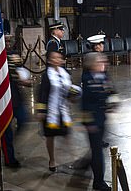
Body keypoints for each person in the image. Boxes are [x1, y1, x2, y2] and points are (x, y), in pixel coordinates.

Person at [36, 51, 80, 172]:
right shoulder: (46, 75)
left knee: (67, 134)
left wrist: (74, 97)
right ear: (50, 61)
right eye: (54, 58)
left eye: (59, 58)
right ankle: (52, 159)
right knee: (50, 137)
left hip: (63, 110)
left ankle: (73, 158)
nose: (57, 60)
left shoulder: (66, 74)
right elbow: (42, 93)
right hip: (51, 112)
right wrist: (41, 110)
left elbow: (69, 90)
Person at [81, 52, 113, 191]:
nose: (104, 63)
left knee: (96, 151)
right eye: (100, 61)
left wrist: (112, 102)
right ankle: (98, 182)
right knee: (97, 152)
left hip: (102, 118)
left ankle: (88, 165)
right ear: (92, 64)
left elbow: (111, 92)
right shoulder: (87, 79)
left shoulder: (104, 76)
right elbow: (84, 104)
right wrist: (89, 123)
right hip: (93, 121)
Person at [2, 52, 32, 168]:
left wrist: (25, 82)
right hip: (5, 102)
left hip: (17, 100)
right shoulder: (1, 61)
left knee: (23, 120)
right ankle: (9, 158)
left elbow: (22, 78)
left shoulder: (15, 62)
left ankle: (9, 144)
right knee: (7, 132)